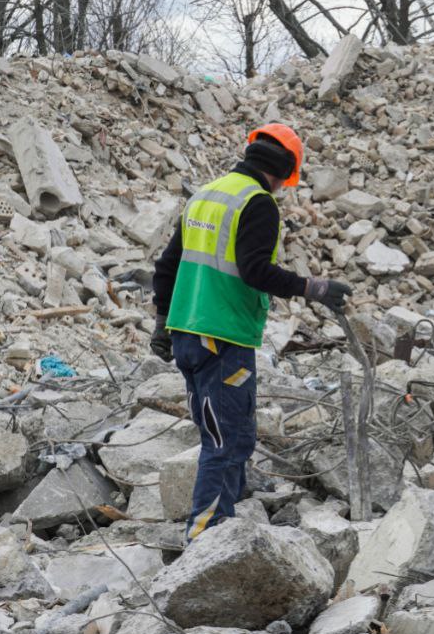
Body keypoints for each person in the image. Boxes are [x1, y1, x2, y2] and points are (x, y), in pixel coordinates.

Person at [151, 123, 352, 541]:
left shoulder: (205, 195)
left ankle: (234, 515)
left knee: (237, 431)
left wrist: (162, 322)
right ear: (284, 171)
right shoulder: (257, 203)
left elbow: (166, 266)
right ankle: (206, 536)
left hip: (189, 332)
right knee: (223, 439)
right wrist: (313, 288)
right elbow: (255, 270)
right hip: (222, 336)